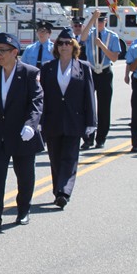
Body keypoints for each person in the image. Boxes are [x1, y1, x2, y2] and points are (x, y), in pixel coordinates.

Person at [0, 33, 44, 230]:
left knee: (25, 175)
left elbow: (36, 103)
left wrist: (31, 124)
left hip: (22, 133)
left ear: (15, 52)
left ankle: (23, 210)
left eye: (2, 51)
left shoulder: (30, 73)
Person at [40, 28, 96, 209]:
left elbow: (89, 95)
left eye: (68, 43)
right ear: (56, 46)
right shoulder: (48, 68)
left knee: (70, 158)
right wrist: (38, 121)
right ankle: (58, 191)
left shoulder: (84, 67)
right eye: (61, 43)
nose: (64, 46)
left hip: (75, 120)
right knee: (55, 158)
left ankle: (64, 192)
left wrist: (91, 122)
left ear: (74, 46)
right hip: (52, 120)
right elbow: (41, 97)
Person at [80, 11, 121, 149]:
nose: (99, 24)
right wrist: (92, 18)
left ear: (106, 22)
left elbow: (114, 57)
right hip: (91, 71)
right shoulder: (90, 33)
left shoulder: (112, 36)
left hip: (104, 71)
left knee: (104, 106)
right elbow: (82, 36)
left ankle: (101, 138)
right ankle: (88, 138)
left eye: (101, 21)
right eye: (97, 21)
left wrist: (102, 45)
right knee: (88, 106)